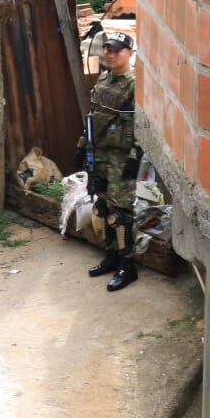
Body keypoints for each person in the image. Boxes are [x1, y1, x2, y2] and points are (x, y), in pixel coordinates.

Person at [83, 31, 139, 292]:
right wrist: (82, 146)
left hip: (121, 156)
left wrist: (134, 157)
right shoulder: (105, 78)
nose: (110, 53)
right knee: (103, 205)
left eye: (116, 49)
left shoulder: (135, 83)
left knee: (120, 213)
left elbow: (145, 124)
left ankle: (128, 266)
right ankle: (112, 256)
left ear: (129, 52)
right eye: (107, 49)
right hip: (101, 153)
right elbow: (94, 114)